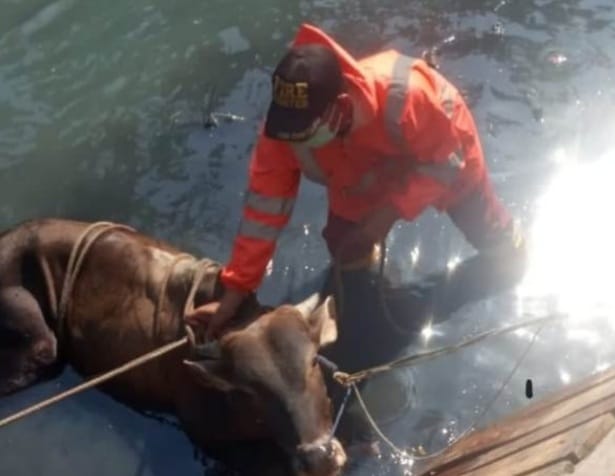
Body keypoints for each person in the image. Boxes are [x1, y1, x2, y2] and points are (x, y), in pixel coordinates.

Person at [185, 23, 526, 345]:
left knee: (490, 236)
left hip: (445, 154)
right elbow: (263, 213)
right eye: (287, 129)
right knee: (344, 243)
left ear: (342, 108)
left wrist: (386, 216)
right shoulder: (283, 133)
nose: (292, 141)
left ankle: (514, 252)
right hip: (360, 175)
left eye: (303, 131)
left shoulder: (409, 97)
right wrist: (235, 293)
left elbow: (447, 162)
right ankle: (375, 297)